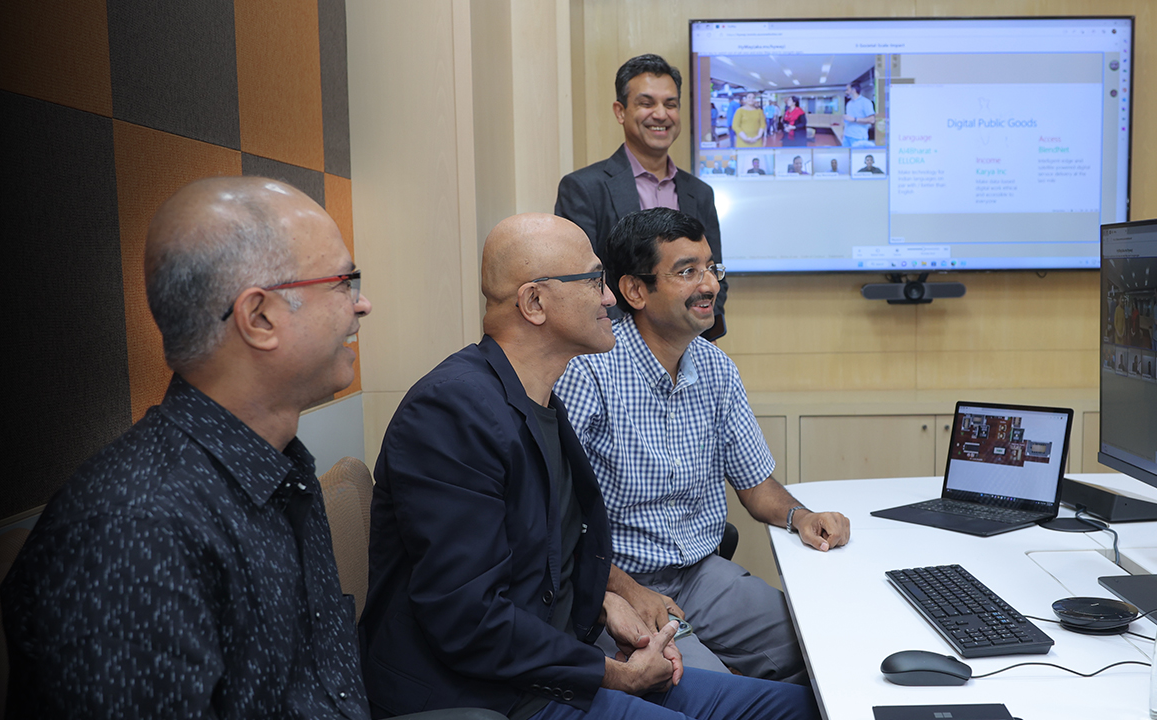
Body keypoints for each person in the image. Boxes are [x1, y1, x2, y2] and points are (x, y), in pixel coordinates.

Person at [360, 212, 819, 720]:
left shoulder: (537, 397)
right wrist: (616, 672)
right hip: (499, 694)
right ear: (535, 302)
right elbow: (471, 620)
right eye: (595, 281)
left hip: (561, 664)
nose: (608, 298)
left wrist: (606, 606)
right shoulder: (451, 412)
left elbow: (543, 558)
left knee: (806, 706)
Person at [0, 177, 379, 719]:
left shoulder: (279, 468)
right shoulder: (133, 532)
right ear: (260, 317)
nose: (363, 304)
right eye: (344, 281)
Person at [553, 208, 851, 684]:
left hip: (700, 573)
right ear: (634, 290)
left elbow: (756, 486)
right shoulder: (588, 372)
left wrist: (801, 517)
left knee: (827, 641)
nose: (709, 285)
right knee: (712, 690)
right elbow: (559, 518)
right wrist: (626, 590)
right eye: (687, 271)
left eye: (711, 268)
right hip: (619, 582)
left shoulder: (717, 369)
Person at [556, 54, 729, 342]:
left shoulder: (699, 193)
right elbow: (579, 284)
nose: (661, 114)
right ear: (620, 111)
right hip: (611, 355)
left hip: (686, 354)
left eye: (670, 104)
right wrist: (630, 349)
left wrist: (696, 338)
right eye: (647, 103)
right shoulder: (583, 189)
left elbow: (713, 276)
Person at [841, 82, 876, 147]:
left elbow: (872, 120)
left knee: (856, 157)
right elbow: (849, 119)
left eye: (847, 90)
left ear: (853, 90)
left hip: (858, 137)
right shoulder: (849, 103)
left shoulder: (866, 102)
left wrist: (855, 119)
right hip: (846, 136)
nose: (846, 92)